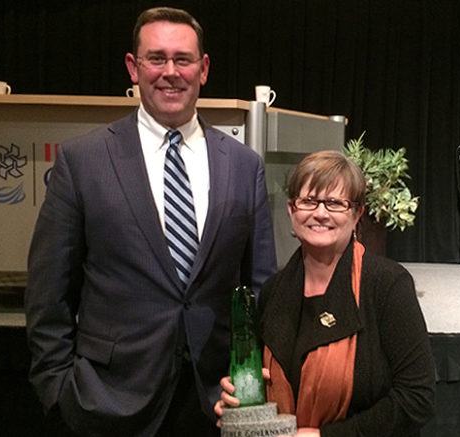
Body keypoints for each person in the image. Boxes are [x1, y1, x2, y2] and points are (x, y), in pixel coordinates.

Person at [24, 6, 276, 436]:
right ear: (133, 67)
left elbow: (261, 287)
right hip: (108, 401)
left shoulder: (242, 164)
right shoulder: (82, 161)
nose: (170, 72)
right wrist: (58, 387)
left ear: (204, 68)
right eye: (156, 58)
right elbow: (49, 291)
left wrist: (254, 380)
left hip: (215, 402)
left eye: (183, 59)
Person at [214, 150, 436, 436]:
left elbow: (417, 399)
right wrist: (239, 402)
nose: (320, 213)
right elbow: (261, 383)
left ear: (357, 214)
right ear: (292, 209)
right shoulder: (273, 290)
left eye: (334, 203)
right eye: (309, 201)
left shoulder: (387, 285)